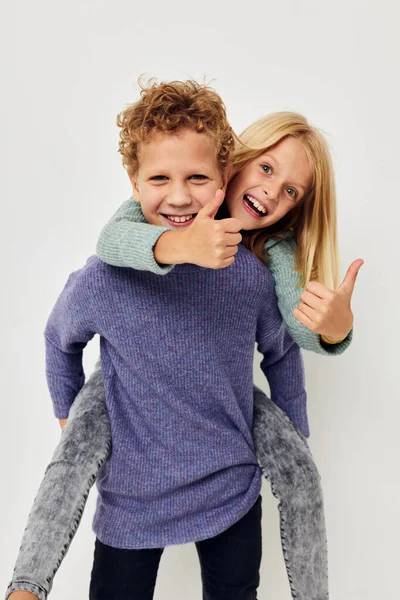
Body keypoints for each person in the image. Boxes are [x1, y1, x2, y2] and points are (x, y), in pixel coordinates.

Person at [6, 81, 361, 600]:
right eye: (159, 178)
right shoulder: (108, 273)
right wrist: (68, 412)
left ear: (222, 177)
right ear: (133, 182)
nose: (178, 195)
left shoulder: (253, 274)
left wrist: (296, 435)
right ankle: (26, 584)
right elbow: (60, 339)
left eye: (197, 177)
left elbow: (283, 352)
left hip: (229, 488)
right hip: (132, 494)